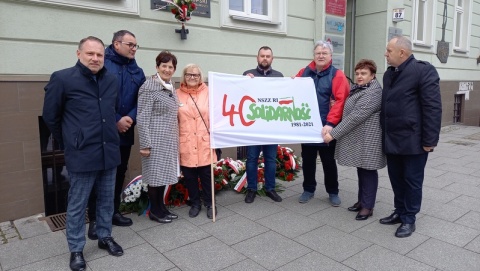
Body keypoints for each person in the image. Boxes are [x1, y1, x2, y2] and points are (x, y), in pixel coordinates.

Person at [42, 36, 124, 271]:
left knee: (107, 200)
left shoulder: (110, 79)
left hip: (109, 150)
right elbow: (51, 116)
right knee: (78, 204)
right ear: (79, 54)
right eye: (90, 54)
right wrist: (71, 140)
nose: (95, 58)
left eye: (99, 54)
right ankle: (76, 249)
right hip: (82, 153)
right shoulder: (63, 78)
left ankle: (104, 236)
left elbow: (112, 109)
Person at [379, 36, 442, 238]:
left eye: (389, 51)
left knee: (412, 181)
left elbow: (432, 108)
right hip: (392, 139)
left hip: (413, 141)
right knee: (396, 179)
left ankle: (409, 219)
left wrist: (430, 141)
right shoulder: (389, 75)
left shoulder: (423, 71)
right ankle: (399, 211)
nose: (385, 54)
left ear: (402, 53)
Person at [87, 30, 145, 240]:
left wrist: (129, 117)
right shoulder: (102, 64)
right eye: (130, 44)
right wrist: (116, 119)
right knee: (98, 174)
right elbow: (95, 96)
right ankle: (94, 219)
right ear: (116, 44)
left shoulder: (136, 69)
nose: (133, 49)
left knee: (119, 172)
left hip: (126, 129)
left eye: (136, 45)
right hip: (104, 129)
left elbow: (142, 98)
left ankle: (112, 212)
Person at [324, 59, 386, 220]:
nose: (359, 76)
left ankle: (368, 206)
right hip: (361, 138)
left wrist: (333, 134)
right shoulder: (359, 88)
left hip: (369, 139)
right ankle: (362, 201)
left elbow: (355, 117)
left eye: (363, 73)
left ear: (372, 75)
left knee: (368, 171)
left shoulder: (373, 92)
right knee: (362, 169)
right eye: (357, 73)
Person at [295, 40, 350, 206]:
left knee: (328, 161)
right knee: (308, 160)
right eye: (318, 53)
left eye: (324, 53)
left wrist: (331, 124)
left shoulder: (337, 75)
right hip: (308, 126)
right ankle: (308, 189)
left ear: (330, 56)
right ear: (314, 55)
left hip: (327, 128)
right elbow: (291, 91)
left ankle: (333, 191)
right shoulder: (304, 72)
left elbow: (341, 101)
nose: (321, 56)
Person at [137, 50, 179, 224]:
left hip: (168, 140)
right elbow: (142, 117)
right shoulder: (149, 86)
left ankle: (161, 207)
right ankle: (154, 211)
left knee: (162, 176)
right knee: (155, 177)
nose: (167, 70)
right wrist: (145, 144)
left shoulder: (170, 86)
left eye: (171, 67)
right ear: (157, 67)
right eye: (164, 66)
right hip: (154, 141)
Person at [243, 46, 284, 204]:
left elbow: (285, 97)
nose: (265, 58)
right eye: (262, 56)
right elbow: (239, 95)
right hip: (253, 126)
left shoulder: (279, 76)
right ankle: (251, 189)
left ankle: (270, 188)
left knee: (271, 159)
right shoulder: (247, 75)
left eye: (268, 56)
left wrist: (294, 83)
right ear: (257, 57)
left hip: (271, 126)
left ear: (272, 59)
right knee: (252, 158)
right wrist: (245, 82)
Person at [177, 64, 218, 218]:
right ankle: (195, 203)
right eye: (189, 74)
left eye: (196, 75)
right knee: (190, 176)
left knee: (207, 175)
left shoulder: (210, 92)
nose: (192, 77)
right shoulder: (176, 94)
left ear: (201, 77)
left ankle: (210, 203)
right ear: (183, 76)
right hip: (186, 141)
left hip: (204, 141)